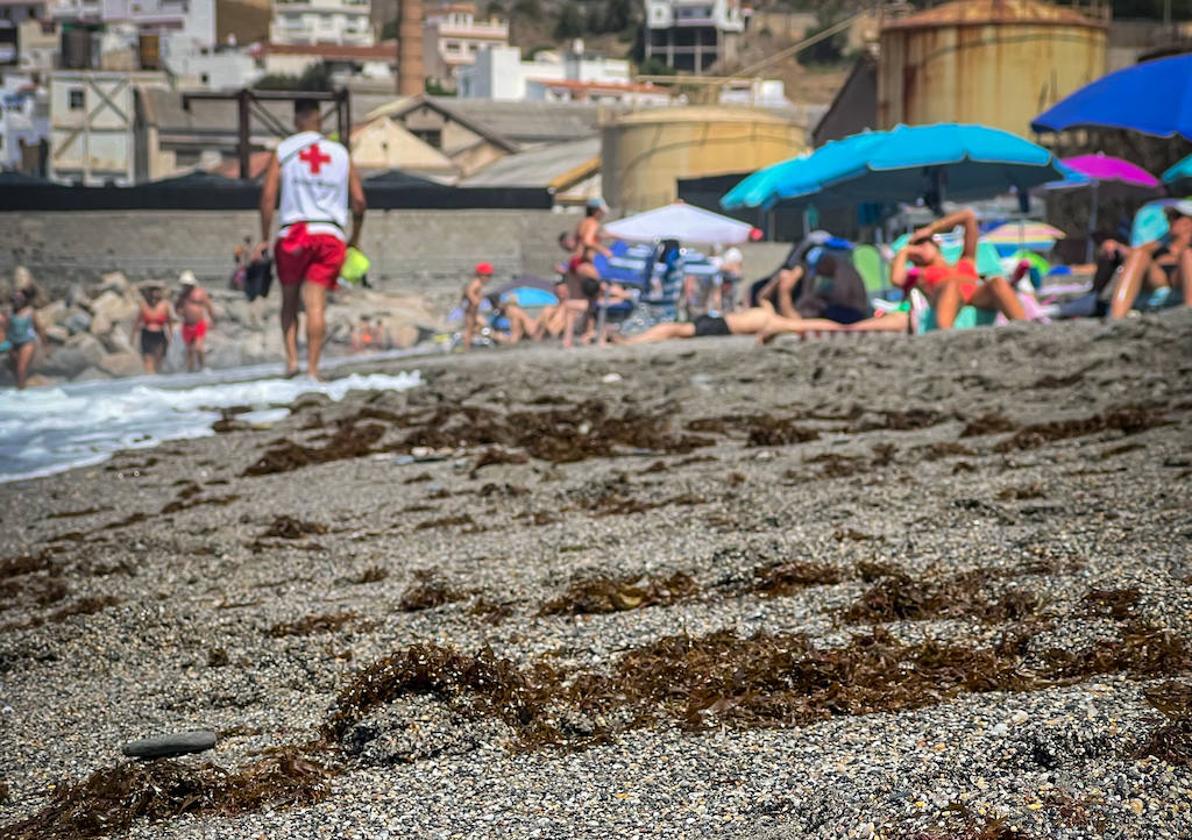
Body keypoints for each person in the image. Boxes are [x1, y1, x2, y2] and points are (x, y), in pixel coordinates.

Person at [259, 97, 366, 379]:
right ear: (320, 119)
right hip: (330, 234)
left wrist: (263, 237)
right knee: (316, 303)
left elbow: (268, 197)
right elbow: (359, 201)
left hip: (294, 233)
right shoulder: (341, 153)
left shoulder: (284, 150)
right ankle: (313, 369)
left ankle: (292, 361)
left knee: (290, 302)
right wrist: (354, 238)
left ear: (296, 120)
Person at [891, 208, 1025, 330]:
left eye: (923, 242)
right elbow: (896, 280)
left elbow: (968, 216)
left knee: (998, 282)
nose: (920, 248)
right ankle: (947, 335)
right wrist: (904, 251)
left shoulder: (966, 259)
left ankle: (1025, 328)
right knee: (951, 285)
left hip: (976, 296)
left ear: (936, 244)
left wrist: (930, 229)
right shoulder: (921, 273)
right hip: (945, 297)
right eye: (916, 247)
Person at [1107, 202, 1192, 319]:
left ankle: (1189, 315)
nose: (1170, 220)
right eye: (1169, 216)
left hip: (1180, 276)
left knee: (1188, 255)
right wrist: (1115, 246)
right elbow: (1132, 252)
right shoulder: (1160, 243)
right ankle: (1115, 319)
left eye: (1176, 216)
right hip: (1156, 278)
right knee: (1139, 255)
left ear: (1189, 222)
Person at [1, 288, 49, 389]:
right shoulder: (9, 312)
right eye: (15, 297)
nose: (17, 300)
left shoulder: (30, 311)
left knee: (21, 369)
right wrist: (5, 342)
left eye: (19, 298)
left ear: (24, 299)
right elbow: (4, 329)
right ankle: (19, 387)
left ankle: (22, 393)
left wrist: (46, 345)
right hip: (12, 343)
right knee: (14, 369)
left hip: (27, 342)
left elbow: (39, 329)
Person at [175, 272, 216, 372]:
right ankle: (191, 370)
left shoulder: (200, 293)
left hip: (199, 324)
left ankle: (203, 367)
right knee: (189, 351)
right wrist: (179, 312)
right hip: (187, 325)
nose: (186, 286)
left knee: (198, 348)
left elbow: (209, 306)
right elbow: (176, 307)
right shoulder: (182, 296)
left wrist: (212, 319)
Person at [131, 284, 173, 374]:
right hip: (147, 334)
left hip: (160, 335)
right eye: (152, 295)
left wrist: (170, 336)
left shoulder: (164, 305)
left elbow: (169, 322)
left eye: (156, 295)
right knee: (148, 359)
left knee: (159, 360)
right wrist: (132, 337)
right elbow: (137, 322)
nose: (154, 298)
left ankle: (156, 380)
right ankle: (149, 380)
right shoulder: (144, 305)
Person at [460, 262, 494, 349]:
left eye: (490, 275)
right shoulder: (477, 283)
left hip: (473, 310)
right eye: (487, 275)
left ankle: (469, 344)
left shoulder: (479, 284)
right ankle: (466, 347)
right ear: (480, 275)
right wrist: (475, 300)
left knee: (475, 327)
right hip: (470, 310)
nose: (488, 278)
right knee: (469, 328)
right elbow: (469, 291)